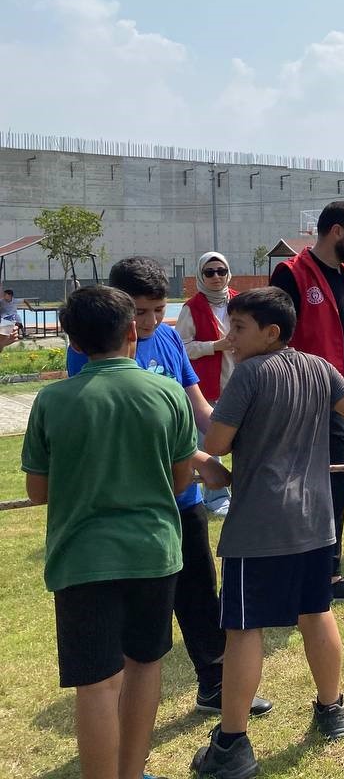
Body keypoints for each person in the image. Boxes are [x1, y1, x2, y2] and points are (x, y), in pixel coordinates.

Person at [65, 257, 271, 719]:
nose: (150, 322)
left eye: (158, 310)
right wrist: (196, 458)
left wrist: (225, 440)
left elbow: (193, 399)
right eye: (140, 312)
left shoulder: (168, 338)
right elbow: (109, 427)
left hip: (183, 497)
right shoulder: (91, 349)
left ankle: (215, 685)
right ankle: (118, 705)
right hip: (131, 505)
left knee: (200, 592)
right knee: (135, 619)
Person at [191, 287, 344, 777]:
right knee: (316, 612)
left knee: (244, 629)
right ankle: (331, 709)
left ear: (271, 332)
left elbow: (217, 443)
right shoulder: (319, 367)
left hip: (260, 525)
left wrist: (202, 458)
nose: (230, 338)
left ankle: (231, 744)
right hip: (315, 520)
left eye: (240, 328)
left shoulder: (250, 374)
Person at [23, 286, 201, 779]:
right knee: (145, 667)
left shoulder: (52, 400)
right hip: (154, 552)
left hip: (81, 558)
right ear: (130, 331)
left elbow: (38, 492)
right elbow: (182, 479)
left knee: (97, 683)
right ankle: (132, 771)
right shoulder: (167, 394)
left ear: (72, 342)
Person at [270, 200, 344, 603]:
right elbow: (274, 342)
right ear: (337, 232)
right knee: (313, 491)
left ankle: (328, 576)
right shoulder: (290, 274)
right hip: (310, 403)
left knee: (339, 489)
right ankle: (313, 578)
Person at [176, 251, 237, 517]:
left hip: (239, 381)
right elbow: (182, 347)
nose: (216, 277)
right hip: (206, 386)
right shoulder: (192, 307)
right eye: (209, 272)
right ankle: (216, 498)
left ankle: (241, 491)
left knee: (242, 441)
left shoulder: (239, 301)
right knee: (209, 442)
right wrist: (215, 346)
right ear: (201, 275)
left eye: (221, 271)